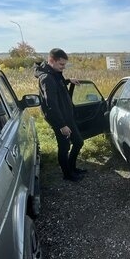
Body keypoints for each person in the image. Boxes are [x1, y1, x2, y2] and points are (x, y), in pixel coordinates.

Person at [34, 48, 87, 182]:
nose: (63, 67)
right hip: (59, 120)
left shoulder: (54, 73)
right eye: (61, 64)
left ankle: (72, 168)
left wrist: (68, 80)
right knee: (64, 148)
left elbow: (58, 84)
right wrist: (61, 125)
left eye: (64, 65)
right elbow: (51, 105)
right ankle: (67, 174)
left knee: (78, 142)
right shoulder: (46, 78)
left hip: (66, 116)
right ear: (51, 61)